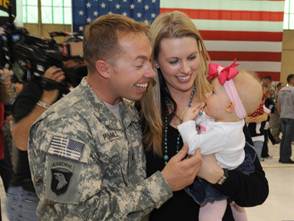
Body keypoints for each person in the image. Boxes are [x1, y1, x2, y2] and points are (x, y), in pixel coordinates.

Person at [28, 14, 202, 220]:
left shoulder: (127, 109)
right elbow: (75, 215)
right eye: (139, 65)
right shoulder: (66, 125)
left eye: (149, 62)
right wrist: (163, 183)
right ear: (104, 68)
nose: (151, 73)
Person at [142, 11, 269, 221]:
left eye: (192, 57)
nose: (185, 69)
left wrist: (217, 176)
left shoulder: (222, 109)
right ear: (155, 61)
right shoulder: (142, 114)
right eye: (173, 61)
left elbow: (257, 191)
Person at [177, 65, 263, 221]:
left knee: (212, 207)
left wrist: (187, 122)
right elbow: (209, 124)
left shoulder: (223, 133)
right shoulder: (231, 121)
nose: (207, 94)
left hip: (221, 175)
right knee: (236, 206)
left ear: (229, 106)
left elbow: (193, 144)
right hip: (238, 166)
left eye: (213, 92)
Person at [6, 66, 65, 221]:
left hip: (61, 195)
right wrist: (46, 100)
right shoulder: (34, 90)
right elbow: (21, 139)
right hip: (30, 197)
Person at [277, 74, 294, 163]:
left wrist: (281, 114)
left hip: (283, 116)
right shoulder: (293, 90)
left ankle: (281, 157)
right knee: (288, 138)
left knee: (283, 138)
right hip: (291, 117)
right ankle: (286, 158)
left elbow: (278, 104)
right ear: (291, 80)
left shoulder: (281, 90)